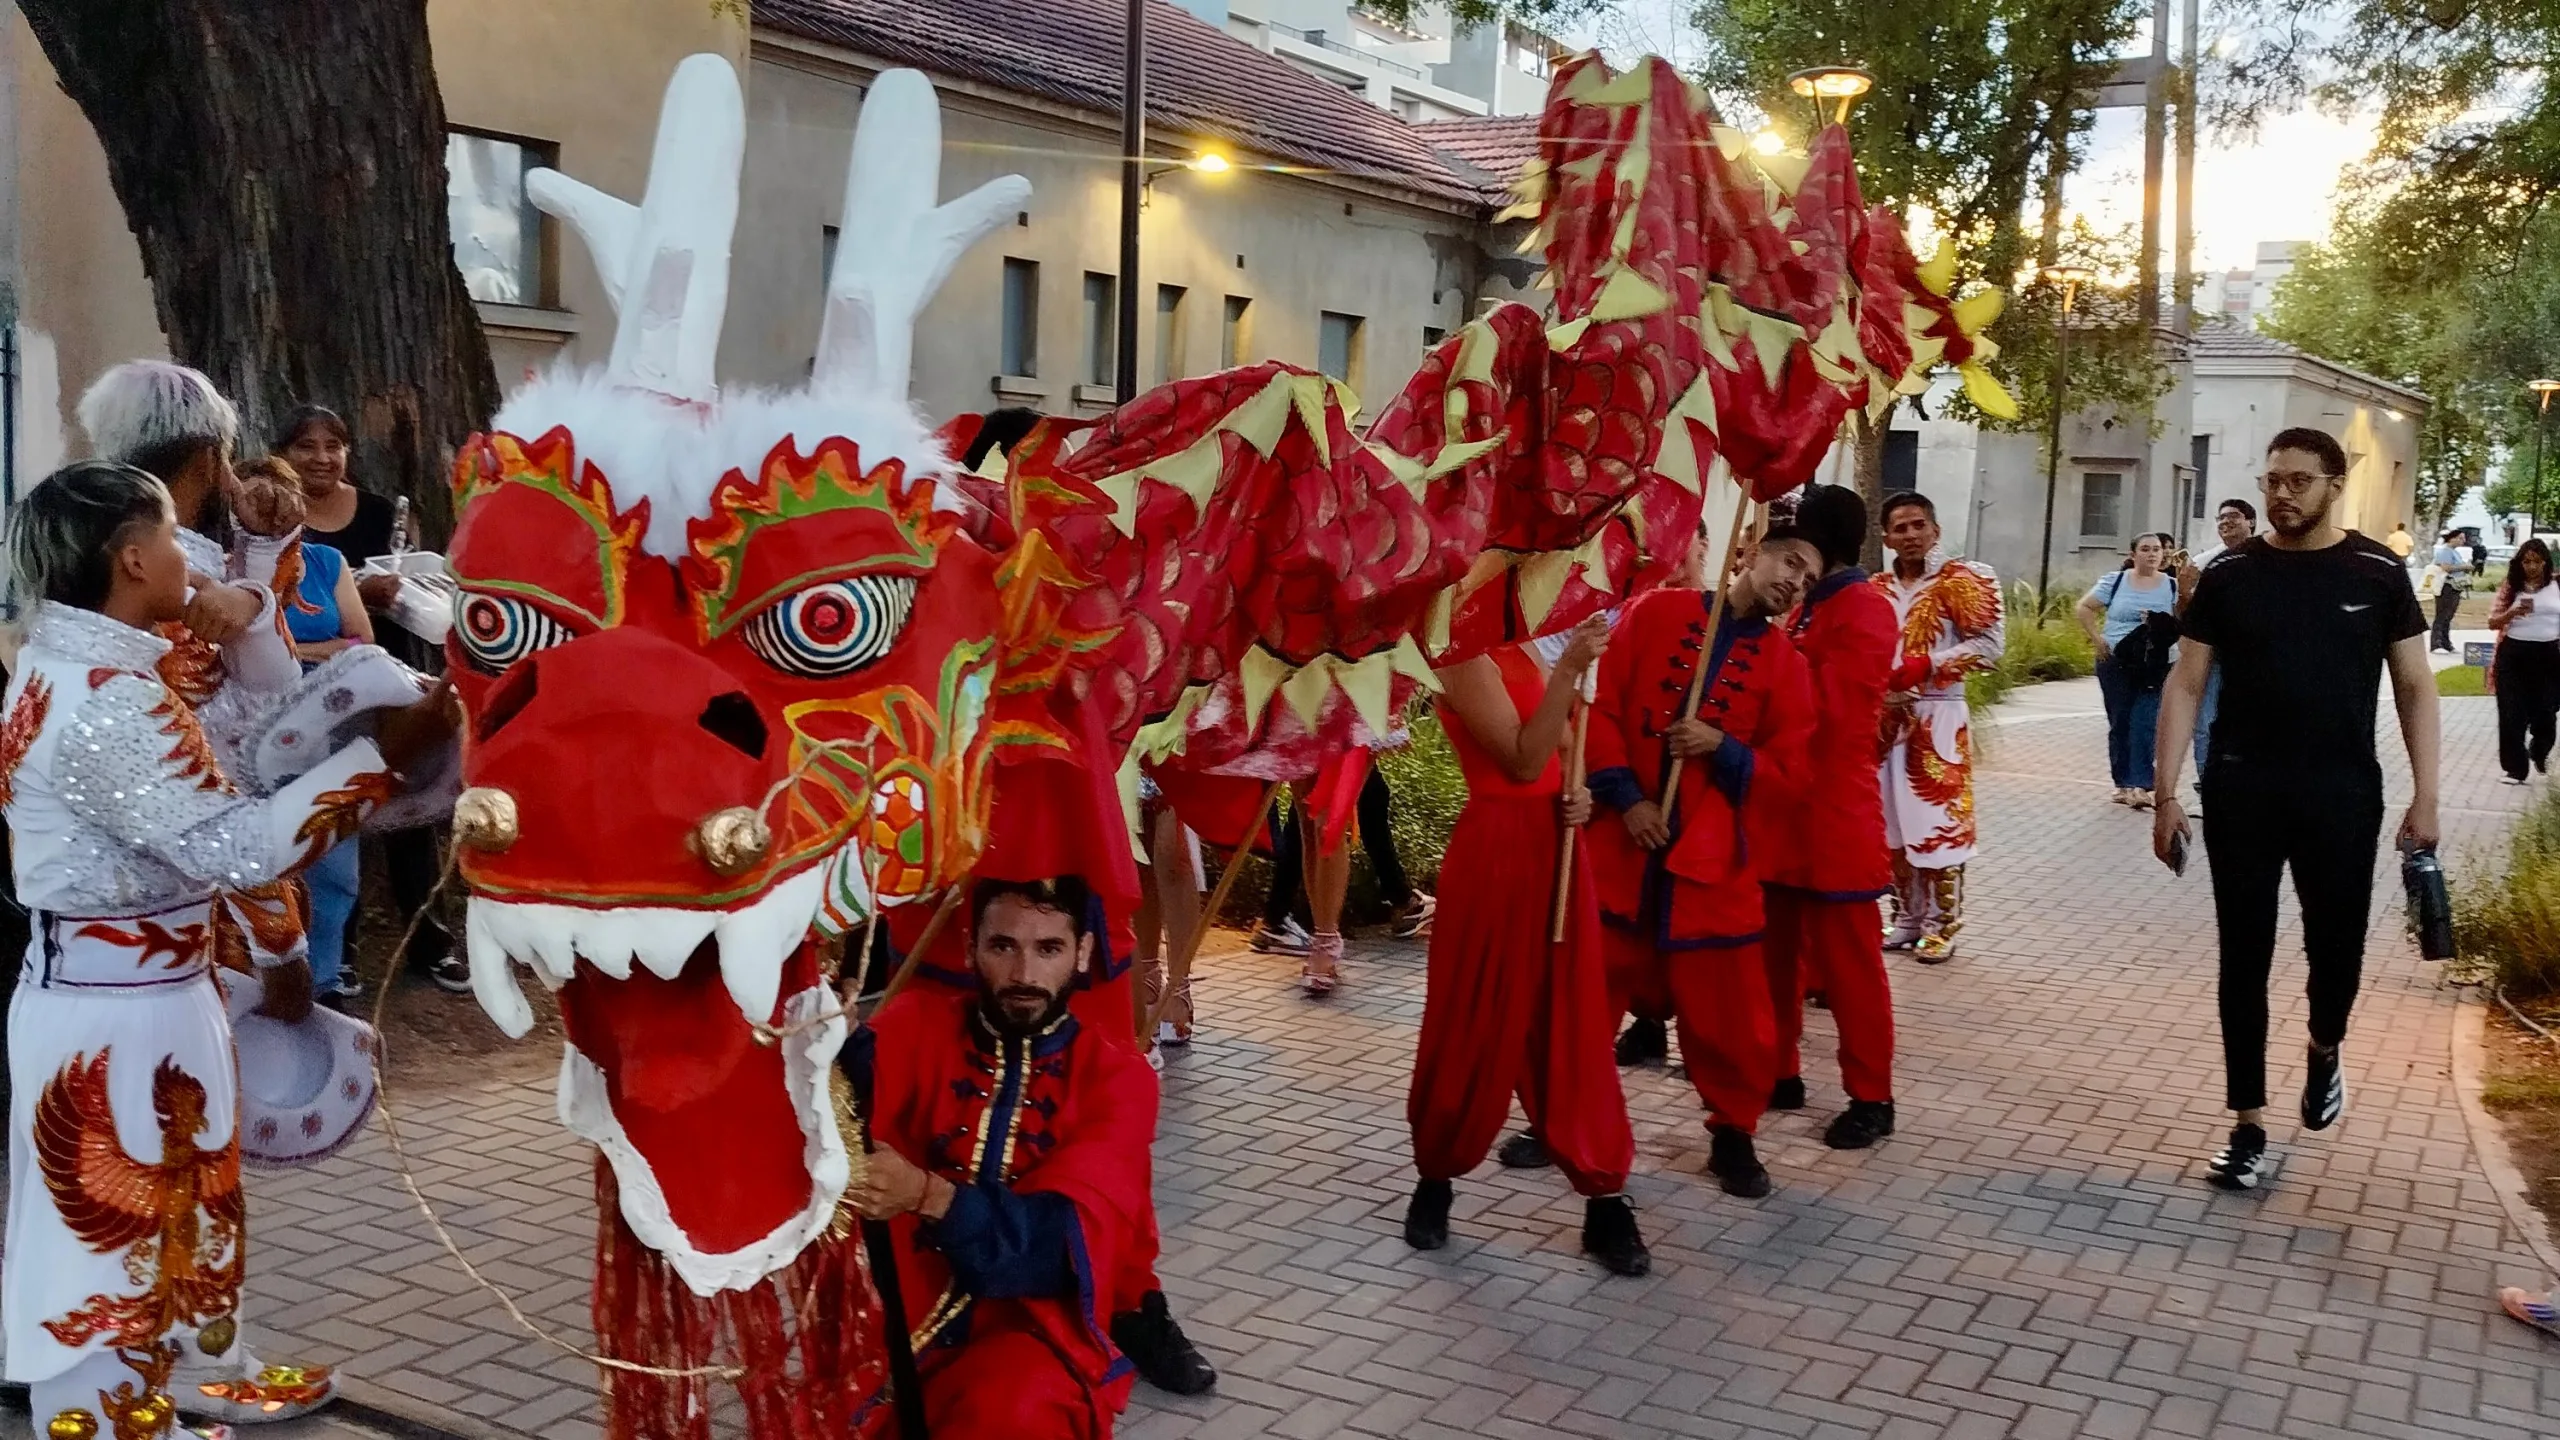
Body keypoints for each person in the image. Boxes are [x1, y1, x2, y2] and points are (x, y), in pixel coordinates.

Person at [1, 461, 452, 1440]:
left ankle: (189, 1385)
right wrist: (382, 762)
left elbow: (210, 810)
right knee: (109, 1248)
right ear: (129, 560)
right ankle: (108, 1420)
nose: (182, 555)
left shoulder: (80, 668)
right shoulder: (108, 700)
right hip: (115, 1017)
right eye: (167, 537)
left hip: (141, 994)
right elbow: (234, 844)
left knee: (186, 1213)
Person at [2151, 426, 2441, 1192]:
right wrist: (2167, 792)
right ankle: (2246, 1122)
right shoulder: (2230, 573)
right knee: (2241, 957)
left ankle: (2324, 1046)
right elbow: (2186, 683)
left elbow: (2415, 686)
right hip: (2242, 788)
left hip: (2342, 793)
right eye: (2274, 478)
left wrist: (2428, 794)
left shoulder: (2378, 572)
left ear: (2334, 485)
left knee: (2335, 950)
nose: (2282, 493)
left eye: (2299, 480)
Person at [848, 876, 1160, 1437]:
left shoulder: (1117, 1079)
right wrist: (821, 1033)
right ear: (970, 948)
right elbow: (835, 1094)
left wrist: (925, 1194)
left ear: (1083, 953)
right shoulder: (914, 1024)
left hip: (1032, 1334)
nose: (1024, 976)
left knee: (1012, 1407)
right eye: (1002, 946)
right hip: (893, 1324)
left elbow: (1049, 1253)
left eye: (1049, 949)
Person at [1401, 614, 1646, 1274]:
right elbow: (1520, 757)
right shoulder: (1456, 648)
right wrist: (1569, 669)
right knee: (1470, 1020)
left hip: (1555, 848)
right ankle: (1437, 1176)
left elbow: (1562, 746)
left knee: (1570, 1021)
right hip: (1496, 852)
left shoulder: (1522, 645)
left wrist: (1580, 797)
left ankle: (1604, 1196)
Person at [1584, 523, 1820, 1198]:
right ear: (1751, 552)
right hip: (1625, 847)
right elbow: (1602, 714)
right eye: (1788, 561)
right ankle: (1557, 1119)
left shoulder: (1787, 666)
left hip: (1710, 863)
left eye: (1807, 577)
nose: (1793, 580)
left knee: (1729, 1015)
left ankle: (1734, 1133)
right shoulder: (1655, 611)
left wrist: (1723, 746)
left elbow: (1791, 776)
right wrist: (1628, 799)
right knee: (1585, 997)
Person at [275, 406, 463, 993]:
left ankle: (429, 942)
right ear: (282, 452)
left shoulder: (382, 512)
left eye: (334, 445)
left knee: (404, 804)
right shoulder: (272, 519)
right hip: (306, 694)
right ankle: (340, 951)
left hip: (386, 670)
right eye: (306, 446)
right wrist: (357, 591)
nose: (322, 458)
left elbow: (417, 576)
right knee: (336, 813)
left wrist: (399, 586)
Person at [1763, 486, 1902, 1150]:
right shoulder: (1806, 609)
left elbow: (1836, 713)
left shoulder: (1865, 611)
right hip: (1783, 809)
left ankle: (1871, 1094)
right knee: (1776, 957)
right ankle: (1779, 1070)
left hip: (1834, 814)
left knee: (1850, 967)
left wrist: (1768, 668)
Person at [235, 458, 375, 1006]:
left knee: (333, 860)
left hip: (326, 722)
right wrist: (316, 651)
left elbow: (361, 641)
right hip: (247, 731)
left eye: (282, 501)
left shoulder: (325, 560)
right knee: (259, 861)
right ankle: (262, 981)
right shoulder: (226, 569)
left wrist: (291, 652)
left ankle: (323, 979)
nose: (272, 513)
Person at [1873, 492, 2004, 963]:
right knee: (1889, 823)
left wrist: (1928, 663)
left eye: (1918, 525)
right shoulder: (1876, 589)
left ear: (1935, 530)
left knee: (1937, 822)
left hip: (1939, 716)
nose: (1910, 535)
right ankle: (1906, 917)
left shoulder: (1965, 581)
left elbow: (1990, 646)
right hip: (1884, 720)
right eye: (1900, 528)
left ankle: (1942, 924)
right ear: (1885, 536)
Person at [2078, 533, 2180, 808]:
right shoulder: (2116, 581)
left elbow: (2183, 623)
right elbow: (2085, 608)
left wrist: (2159, 622)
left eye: (2157, 550)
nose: (2152, 554)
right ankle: (2122, 783)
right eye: (2145, 549)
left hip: (2154, 665)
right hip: (2116, 660)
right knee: (2120, 721)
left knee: (2145, 722)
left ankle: (2142, 785)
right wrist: (2097, 639)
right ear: (2133, 554)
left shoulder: (2172, 586)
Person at [2179, 500, 2259, 776]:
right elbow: (2186, 614)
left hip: (2256, 658)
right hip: (2213, 658)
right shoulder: (2204, 563)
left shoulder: (2269, 558)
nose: (2225, 522)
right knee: (2206, 723)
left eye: (2234, 517)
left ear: (2251, 522)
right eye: (2221, 518)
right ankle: (2207, 784)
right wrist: (2184, 591)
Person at [2490, 539, 2560, 783]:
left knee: (2546, 711)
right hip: (2514, 655)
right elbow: (2492, 622)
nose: (2531, 566)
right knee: (2511, 713)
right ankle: (2515, 768)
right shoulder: (2512, 587)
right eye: (2526, 561)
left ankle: (2539, 750)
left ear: (2545, 563)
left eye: (2537, 561)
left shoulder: (2556, 585)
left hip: (2549, 655)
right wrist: (2512, 613)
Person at [2429, 528, 2473, 653]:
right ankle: (2436, 644)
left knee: (2449, 616)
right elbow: (2446, 567)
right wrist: (2464, 566)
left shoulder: (2455, 552)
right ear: (2452, 538)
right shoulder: (2445, 551)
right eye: (2460, 538)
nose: (2463, 541)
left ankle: (2446, 643)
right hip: (2446, 585)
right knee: (2442, 614)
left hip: (2455, 586)